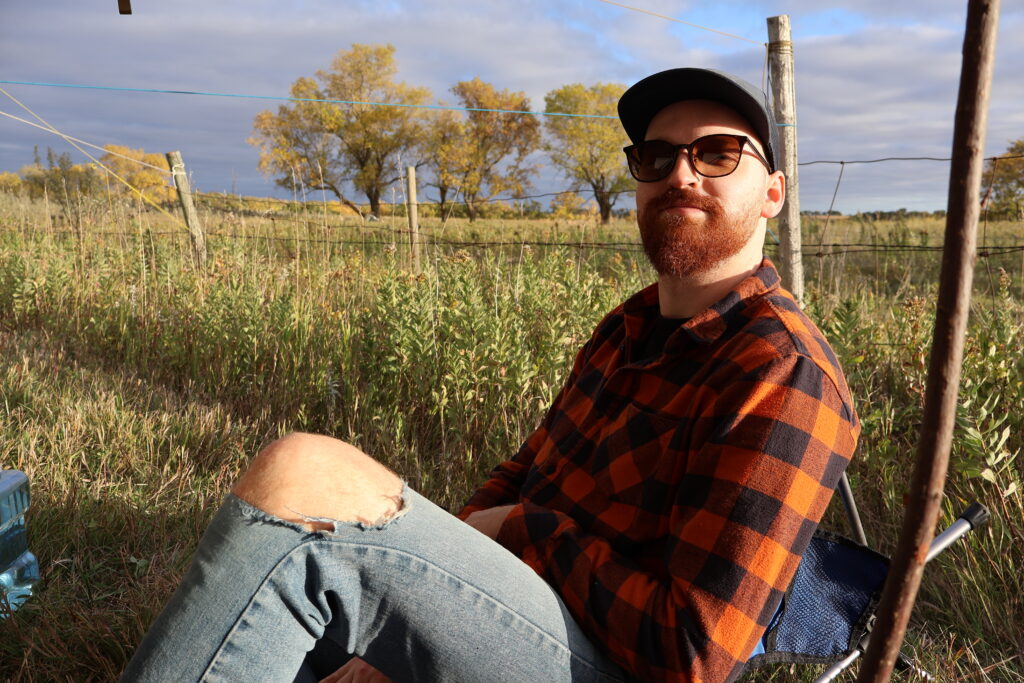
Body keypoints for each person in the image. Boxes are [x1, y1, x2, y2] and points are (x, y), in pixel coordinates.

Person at [121, 68, 858, 683]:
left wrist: (524, 534)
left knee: (302, 476)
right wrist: (424, 607)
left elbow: (691, 655)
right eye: (655, 157)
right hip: (531, 621)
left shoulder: (780, 370)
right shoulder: (628, 328)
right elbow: (526, 473)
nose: (681, 174)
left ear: (773, 193)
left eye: (719, 154)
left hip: (609, 665)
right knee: (284, 602)